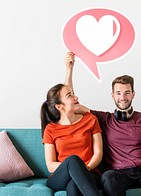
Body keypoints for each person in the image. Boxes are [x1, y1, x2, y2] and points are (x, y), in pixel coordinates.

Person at [64, 53, 141, 196]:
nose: (123, 97)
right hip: (118, 174)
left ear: (133, 94)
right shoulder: (103, 118)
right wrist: (69, 70)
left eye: (127, 93)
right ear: (112, 95)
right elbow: (70, 104)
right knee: (108, 176)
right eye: (119, 93)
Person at [40, 52, 103, 196]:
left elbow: (98, 153)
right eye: (70, 96)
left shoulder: (90, 119)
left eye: (73, 94)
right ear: (58, 106)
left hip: (90, 173)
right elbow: (50, 165)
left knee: (74, 187)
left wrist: (82, 169)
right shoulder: (51, 129)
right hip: (59, 177)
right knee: (73, 160)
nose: (76, 97)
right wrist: (75, 167)